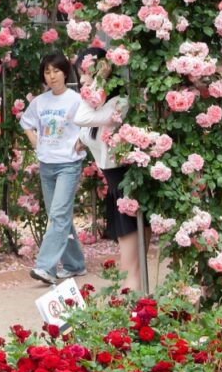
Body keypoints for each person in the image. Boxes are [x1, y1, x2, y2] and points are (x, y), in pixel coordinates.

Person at [73, 47, 138, 292]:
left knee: (130, 258)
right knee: (124, 243)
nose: (81, 81)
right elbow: (85, 128)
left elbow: (81, 117)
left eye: (85, 74)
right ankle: (133, 294)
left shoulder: (118, 103)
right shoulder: (102, 105)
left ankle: (134, 296)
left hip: (123, 179)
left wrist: (99, 79)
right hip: (113, 181)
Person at [19, 52, 87, 286]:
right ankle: (75, 264)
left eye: (56, 71)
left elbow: (91, 123)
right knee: (59, 217)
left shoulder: (76, 100)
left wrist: (83, 140)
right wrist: (35, 141)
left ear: (65, 72)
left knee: (58, 215)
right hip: (47, 165)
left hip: (68, 164)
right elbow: (26, 122)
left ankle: (45, 267)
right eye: (47, 72)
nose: (52, 76)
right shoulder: (40, 102)